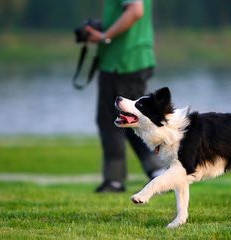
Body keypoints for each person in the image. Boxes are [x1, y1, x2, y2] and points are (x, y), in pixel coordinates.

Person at [86, 0, 165, 192]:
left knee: (114, 120)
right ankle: (158, 171)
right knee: (135, 121)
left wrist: (105, 35)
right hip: (132, 58)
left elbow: (135, 10)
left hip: (122, 62)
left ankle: (115, 180)